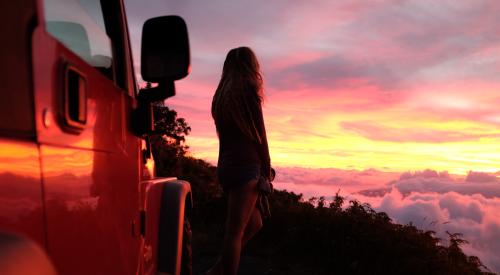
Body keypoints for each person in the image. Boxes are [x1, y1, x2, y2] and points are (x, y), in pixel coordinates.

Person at [206, 47, 272, 275]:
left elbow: (223, 139)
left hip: (228, 166)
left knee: (255, 223)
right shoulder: (249, 92)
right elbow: (260, 136)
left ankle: (217, 269)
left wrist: (220, 169)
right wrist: (267, 168)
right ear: (250, 66)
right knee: (234, 233)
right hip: (246, 167)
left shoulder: (220, 98)